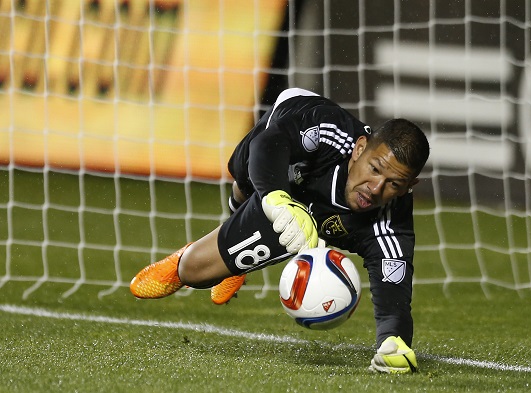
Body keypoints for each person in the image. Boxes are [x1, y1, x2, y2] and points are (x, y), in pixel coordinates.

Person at [130, 87, 430, 374]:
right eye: (374, 169)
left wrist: (393, 343)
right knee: (241, 186)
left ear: (408, 187)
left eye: (394, 184)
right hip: (285, 142)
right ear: (359, 149)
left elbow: (394, 294)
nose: (376, 188)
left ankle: (243, 244)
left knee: (272, 236)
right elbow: (269, 143)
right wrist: (276, 199)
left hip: (309, 214)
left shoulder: (391, 222)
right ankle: (225, 238)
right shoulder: (326, 131)